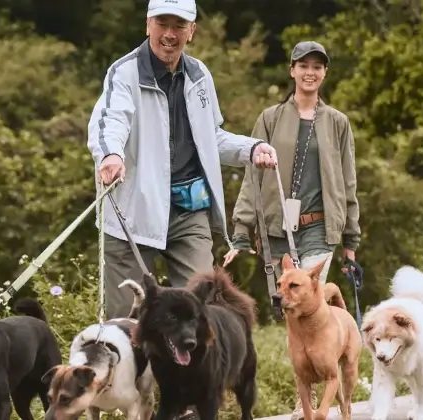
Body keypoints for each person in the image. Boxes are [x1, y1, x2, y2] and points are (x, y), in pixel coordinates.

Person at [87, 0, 278, 321]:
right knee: (124, 321)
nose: (169, 34)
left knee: (202, 310)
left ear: (192, 31)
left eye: (179, 25)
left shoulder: (199, 74)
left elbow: (212, 138)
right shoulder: (124, 72)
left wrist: (252, 147)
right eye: (162, 24)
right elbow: (110, 120)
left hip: (190, 210)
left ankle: (195, 372)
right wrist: (110, 154)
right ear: (148, 25)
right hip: (133, 212)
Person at [223, 40, 361, 416]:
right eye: (303, 66)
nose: (310, 72)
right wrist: (241, 228)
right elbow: (252, 177)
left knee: (307, 302)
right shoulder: (269, 118)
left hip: (319, 227)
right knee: (287, 308)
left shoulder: (337, 122)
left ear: (324, 73)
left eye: (318, 66)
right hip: (277, 229)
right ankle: (307, 395)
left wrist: (351, 239)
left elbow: (348, 182)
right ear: (292, 70)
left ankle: (321, 396)